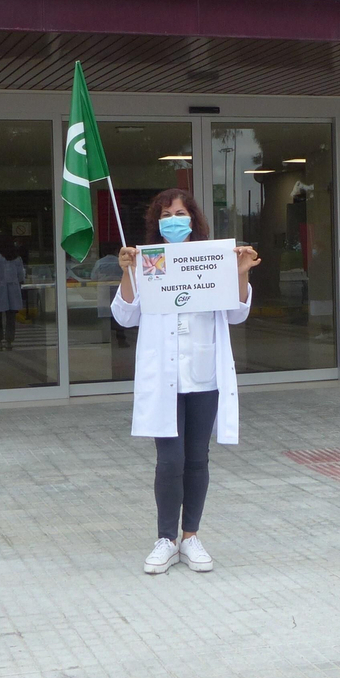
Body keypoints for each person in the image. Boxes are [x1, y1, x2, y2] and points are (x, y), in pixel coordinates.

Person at [111, 189, 260, 575]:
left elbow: (235, 313)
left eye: (180, 213)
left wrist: (240, 275)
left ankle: (190, 536)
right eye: (165, 214)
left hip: (204, 376)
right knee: (170, 461)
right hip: (165, 378)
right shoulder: (148, 262)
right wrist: (127, 271)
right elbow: (126, 316)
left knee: (196, 459)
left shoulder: (212, 261)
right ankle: (166, 539)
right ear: (156, 222)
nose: (173, 219)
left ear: (192, 219)